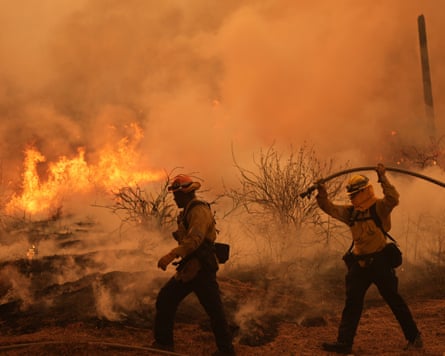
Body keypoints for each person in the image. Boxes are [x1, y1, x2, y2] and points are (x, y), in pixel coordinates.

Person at [315, 163, 422, 354]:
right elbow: (329, 208)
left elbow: (393, 198)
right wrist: (322, 192)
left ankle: (414, 338)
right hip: (359, 264)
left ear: (363, 191)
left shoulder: (379, 207)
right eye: (351, 196)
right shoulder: (351, 212)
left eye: (355, 194)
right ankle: (344, 343)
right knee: (352, 304)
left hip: (380, 262)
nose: (353, 198)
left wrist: (383, 177)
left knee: (394, 301)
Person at [152, 174, 235, 355]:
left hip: (202, 269)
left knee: (215, 311)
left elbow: (194, 240)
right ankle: (164, 342)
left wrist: (171, 255)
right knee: (166, 299)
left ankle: (227, 351)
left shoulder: (198, 211)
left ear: (186, 194)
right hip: (190, 268)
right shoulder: (188, 211)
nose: (174, 198)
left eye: (176, 195)